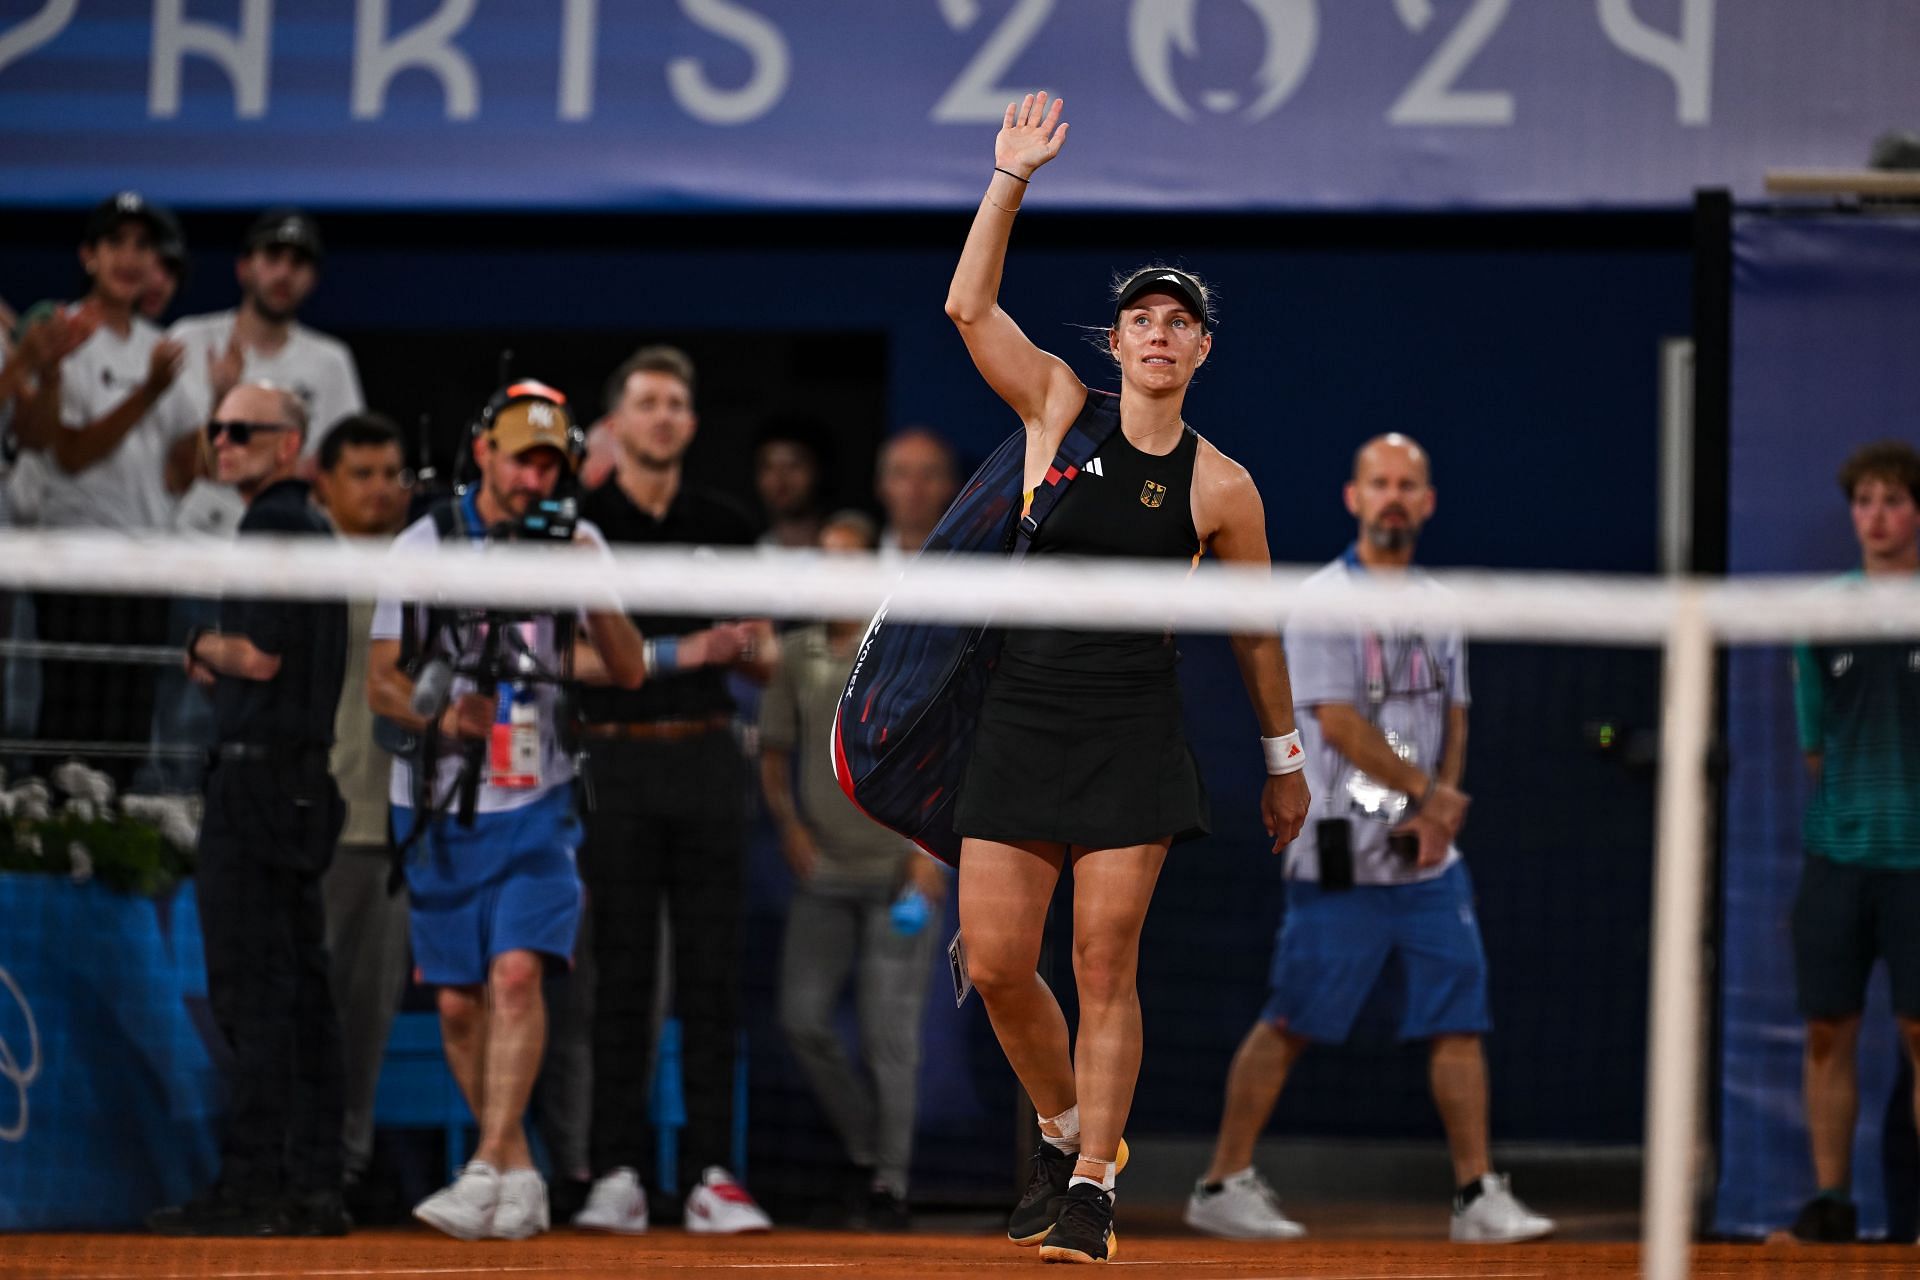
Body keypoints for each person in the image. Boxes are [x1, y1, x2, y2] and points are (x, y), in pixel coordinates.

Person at [942, 92, 1310, 1265]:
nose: (1157, 334)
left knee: (1106, 959)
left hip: (1130, 733)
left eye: (1178, 322)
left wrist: (1283, 760)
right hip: (1020, 716)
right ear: (1116, 344)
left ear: (1203, 349)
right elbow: (967, 305)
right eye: (1139, 320)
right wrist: (1010, 178)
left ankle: (1094, 1181)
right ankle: (1063, 1125)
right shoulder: (1059, 406)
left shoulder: (1225, 488)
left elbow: (1256, 635)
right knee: (997, 963)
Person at [1184, 434, 1554, 1245]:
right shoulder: (1323, 600)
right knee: (1293, 1018)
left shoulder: (1438, 601)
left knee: (1460, 1018)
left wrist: (1439, 812)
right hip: (1342, 857)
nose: (1392, 497)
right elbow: (1339, 723)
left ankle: (1475, 1196)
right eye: (1378, 483)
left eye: (1407, 485)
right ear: (1354, 498)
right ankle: (1221, 1181)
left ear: (1426, 502)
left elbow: (1455, 712)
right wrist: (1432, 794)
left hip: (1430, 859)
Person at [367, 382, 646, 1241]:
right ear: (484, 453)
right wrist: (441, 712)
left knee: (518, 975)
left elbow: (628, 668)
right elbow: (382, 678)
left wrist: (585, 585)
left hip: (540, 800)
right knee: (457, 1005)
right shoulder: (425, 543)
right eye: (522, 458)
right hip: (439, 805)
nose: (534, 478)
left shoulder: (581, 540)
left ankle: (485, 1162)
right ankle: (519, 1170)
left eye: (549, 464)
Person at [572, 345, 775, 1236]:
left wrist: (752, 647)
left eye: (675, 404)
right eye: (645, 403)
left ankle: (707, 1173)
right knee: (620, 975)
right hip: (611, 766)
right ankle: (615, 1168)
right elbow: (557, 661)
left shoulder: (727, 523)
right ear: (615, 422)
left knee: (710, 978)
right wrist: (682, 652)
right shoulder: (578, 525)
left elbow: (763, 656)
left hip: (705, 764)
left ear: (691, 424)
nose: (661, 417)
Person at [148, 381, 349, 1236]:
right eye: (217, 429)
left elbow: (260, 658)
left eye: (243, 431)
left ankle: (255, 1186)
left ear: (290, 442)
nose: (222, 442)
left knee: (253, 993)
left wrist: (199, 645)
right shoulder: (314, 529)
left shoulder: (272, 524)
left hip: (261, 787)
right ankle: (309, 1184)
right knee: (300, 989)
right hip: (299, 788)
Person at [766, 510, 948, 1231]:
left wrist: (931, 853)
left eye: (852, 560)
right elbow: (773, 752)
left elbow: (944, 753)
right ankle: (870, 1152)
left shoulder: (903, 650)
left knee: (889, 1034)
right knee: (802, 1018)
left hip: (900, 872)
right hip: (825, 873)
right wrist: (786, 825)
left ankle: (890, 1185)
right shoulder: (794, 655)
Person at [10, 193, 201, 780]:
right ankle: (53, 851)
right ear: (88, 256)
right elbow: (63, 452)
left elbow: (188, 460)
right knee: (69, 719)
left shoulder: (161, 349)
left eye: (144, 246)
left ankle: (115, 857)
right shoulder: (59, 334)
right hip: (76, 558)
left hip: (146, 560)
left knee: (128, 727)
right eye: (116, 243)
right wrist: (145, 395)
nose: (130, 257)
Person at [1788, 440, 1920, 1243]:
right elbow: (1814, 744)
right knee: (1826, 1029)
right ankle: (1831, 1205)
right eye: (1864, 501)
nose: (1876, 516)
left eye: (1894, 500)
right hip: (1838, 857)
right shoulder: (1821, 611)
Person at [312, 414, 412, 1207]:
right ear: (325, 481)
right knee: (297, 1003)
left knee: (365, 1015)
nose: (382, 489)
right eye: (364, 474)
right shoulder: (305, 563)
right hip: (318, 819)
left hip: (397, 827)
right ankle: (286, 1159)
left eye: (391, 473)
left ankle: (343, 1165)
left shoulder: (433, 567)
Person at [167, 208, 364, 465]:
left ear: (313, 280)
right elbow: (164, 459)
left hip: (293, 503)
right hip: (198, 503)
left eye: (298, 263)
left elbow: (346, 460)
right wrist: (221, 401)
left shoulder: (331, 360)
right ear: (244, 268)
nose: (284, 274)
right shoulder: (188, 340)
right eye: (273, 258)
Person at [875, 426, 960, 566]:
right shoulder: (854, 559)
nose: (914, 489)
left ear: (951, 485)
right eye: (901, 474)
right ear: (881, 485)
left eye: (929, 474)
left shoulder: (979, 566)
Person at [754, 415, 829, 549]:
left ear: (817, 470)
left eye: (793, 465)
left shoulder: (845, 548)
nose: (780, 479)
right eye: (769, 467)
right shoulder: (751, 550)